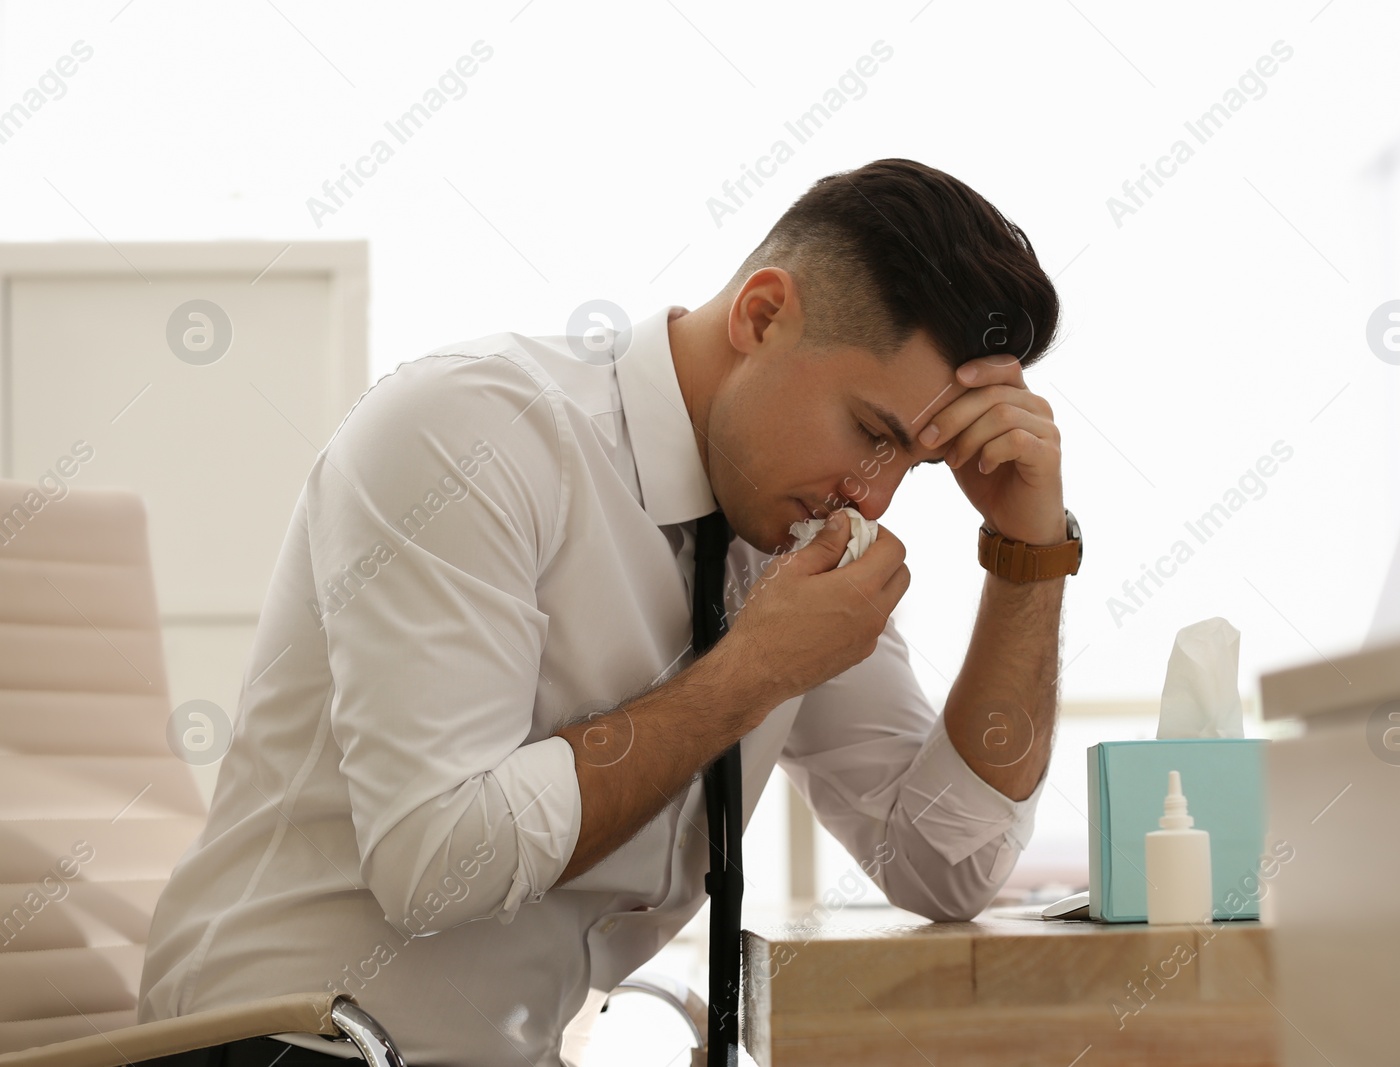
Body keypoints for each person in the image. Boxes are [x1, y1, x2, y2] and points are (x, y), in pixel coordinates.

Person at [137, 158, 1072, 1066]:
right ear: (762, 313)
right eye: (873, 434)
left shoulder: (797, 531)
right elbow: (433, 864)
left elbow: (948, 866)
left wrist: (1030, 559)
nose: (872, 501)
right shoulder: (473, 434)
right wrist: (751, 673)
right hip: (282, 1044)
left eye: (915, 464)